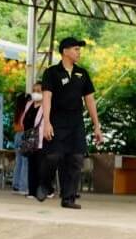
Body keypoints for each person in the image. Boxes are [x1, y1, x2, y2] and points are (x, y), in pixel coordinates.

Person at [36, 37, 104, 208]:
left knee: (76, 159)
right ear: (65, 51)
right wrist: (47, 122)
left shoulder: (83, 73)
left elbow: (90, 100)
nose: (78, 52)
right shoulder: (51, 72)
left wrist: (97, 126)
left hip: (76, 123)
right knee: (53, 156)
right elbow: (47, 98)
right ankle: (44, 184)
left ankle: (68, 198)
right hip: (57, 121)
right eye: (76, 49)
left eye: (79, 50)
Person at [20, 82, 46, 199]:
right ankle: (31, 191)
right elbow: (23, 120)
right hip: (29, 138)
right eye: (34, 90)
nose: (36, 93)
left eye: (39, 91)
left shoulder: (46, 106)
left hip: (41, 140)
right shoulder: (29, 104)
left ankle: (40, 191)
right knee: (31, 165)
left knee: (40, 167)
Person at [11, 92, 30, 193]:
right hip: (24, 135)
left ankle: (16, 184)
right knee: (25, 162)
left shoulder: (17, 112)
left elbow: (16, 126)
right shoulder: (26, 111)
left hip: (17, 135)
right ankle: (23, 186)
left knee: (18, 161)